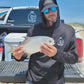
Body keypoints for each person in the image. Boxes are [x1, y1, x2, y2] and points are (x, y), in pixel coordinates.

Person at [13, 0, 78, 84]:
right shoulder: (33, 30)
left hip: (56, 81)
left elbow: (74, 58)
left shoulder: (68, 31)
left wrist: (56, 54)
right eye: (47, 10)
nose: (51, 12)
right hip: (34, 79)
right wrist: (18, 57)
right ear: (42, 13)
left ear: (57, 8)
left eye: (53, 8)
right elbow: (25, 54)